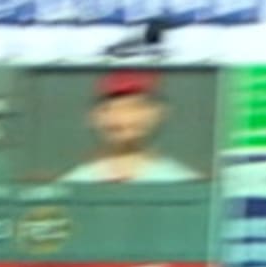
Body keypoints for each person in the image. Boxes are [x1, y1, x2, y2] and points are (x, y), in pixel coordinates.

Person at [56, 68, 203, 186]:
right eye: (110, 108)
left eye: (136, 107)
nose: (124, 118)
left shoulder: (182, 183)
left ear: (159, 113)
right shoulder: (72, 185)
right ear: (95, 116)